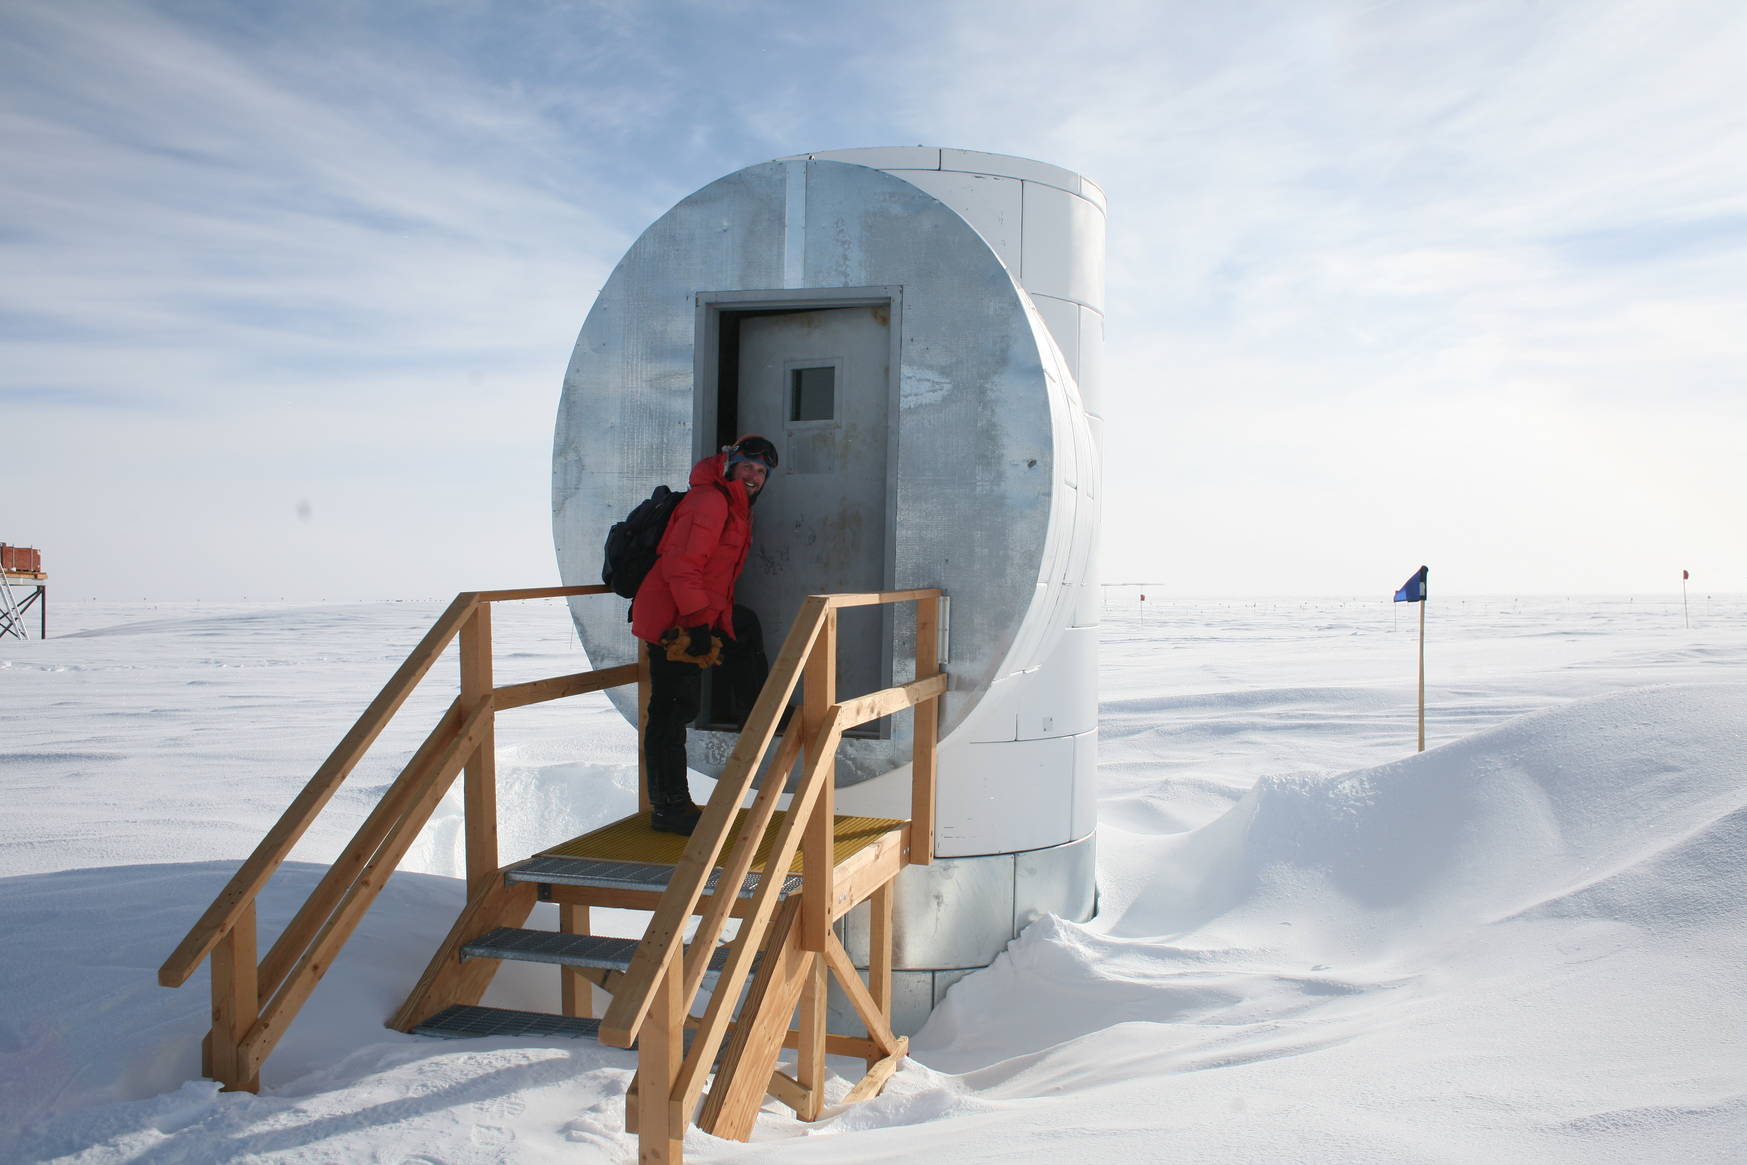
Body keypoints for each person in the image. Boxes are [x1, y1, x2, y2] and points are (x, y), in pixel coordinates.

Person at [630, 435, 778, 834]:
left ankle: (759, 716)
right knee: (671, 708)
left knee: (744, 630)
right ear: (730, 464)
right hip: (673, 619)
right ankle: (669, 807)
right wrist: (696, 624)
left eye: (762, 472)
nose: (754, 476)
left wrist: (708, 618)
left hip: (701, 611)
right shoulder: (709, 501)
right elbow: (682, 565)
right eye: (748, 466)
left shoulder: (733, 504)